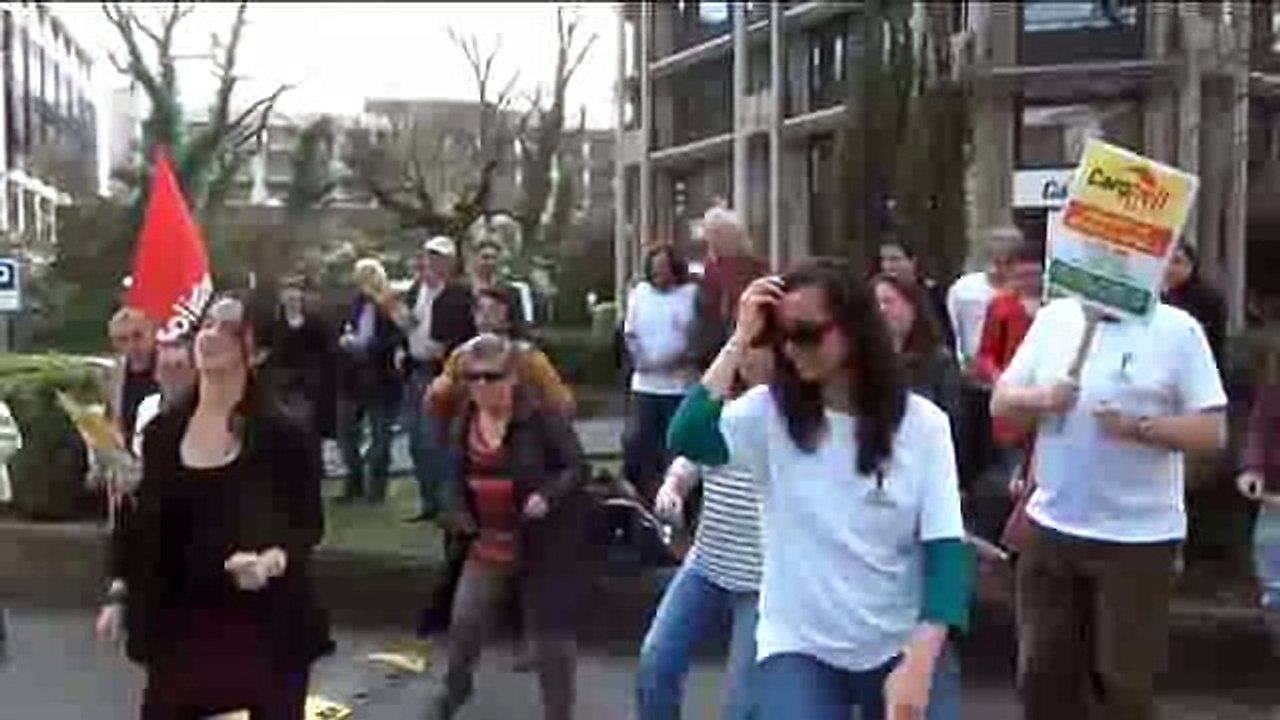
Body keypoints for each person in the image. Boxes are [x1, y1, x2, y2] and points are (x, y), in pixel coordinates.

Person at [667, 258, 972, 720]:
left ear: (854, 331)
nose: (792, 349)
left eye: (807, 334)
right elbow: (687, 436)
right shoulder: (767, 414)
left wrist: (920, 662)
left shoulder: (923, 426)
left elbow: (947, 553)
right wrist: (739, 339)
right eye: (781, 334)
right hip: (799, 642)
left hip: (898, 638)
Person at [991, 295, 1227, 720]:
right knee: (1042, 675)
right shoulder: (1054, 318)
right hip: (1051, 526)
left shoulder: (1179, 329)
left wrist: (1140, 427)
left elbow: (1212, 432)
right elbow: (1001, 400)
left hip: (1139, 538)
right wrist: (1043, 398)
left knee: (1123, 684)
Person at [100, 295, 332, 719]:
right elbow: (142, 522)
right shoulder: (163, 433)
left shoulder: (285, 434)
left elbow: (306, 526)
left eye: (229, 328)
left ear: (256, 349)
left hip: (266, 625)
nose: (212, 335)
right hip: (182, 620)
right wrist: (119, 592)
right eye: (207, 324)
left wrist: (270, 561)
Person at [428, 333, 588, 720]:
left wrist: (547, 496)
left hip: (539, 543)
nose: (482, 385)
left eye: (492, 376)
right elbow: (450, 476)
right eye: (473, 377)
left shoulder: (541, 417)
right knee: (465, 623)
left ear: (513, 377)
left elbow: (577, 467)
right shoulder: (465, 418)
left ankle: (559, 713)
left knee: (551, 640)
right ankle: (454, 691)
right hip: (487, 541)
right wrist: (458, 514)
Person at [636, 344, 773, 720]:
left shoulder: (790, 423)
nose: (748, 357)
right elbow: (686, 457)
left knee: (741, 705)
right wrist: (672, 489)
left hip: (763, 583)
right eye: (742, 349)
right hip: (706, 564)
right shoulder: (722, 413)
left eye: (758, 349)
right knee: (655, 661)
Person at [402, 235, 477, 522]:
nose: (433, 263)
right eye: (430, 256)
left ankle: (448, 504)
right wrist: (400, 348)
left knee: (436, 440)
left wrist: (446, 348)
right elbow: (403, 326)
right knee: (415, 441)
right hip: (414, 371)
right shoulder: (414, 291)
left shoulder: (459, 295)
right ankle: (429, 501)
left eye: (440, 258)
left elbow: (471, 336)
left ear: (450, 263)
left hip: (441, 374)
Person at [947, 226, 1022, 494]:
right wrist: (961, 365)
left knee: (1003, 452)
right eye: (994, 257)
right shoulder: (964, 289)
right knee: (970, 446)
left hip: (1012, 387)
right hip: (971, 384)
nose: (998, 266)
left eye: (1007, 260)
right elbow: (953, 330)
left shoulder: (1023, 296)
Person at [623, 245, 700, 503]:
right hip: (645, 386)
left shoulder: (691, 295)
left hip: (680, 387)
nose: (659, 276)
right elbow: (629, 332)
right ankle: (646, 498)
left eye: (664, 270)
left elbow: (697, 338)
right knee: (637, 444)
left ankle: (677, 504)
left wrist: (674, 360)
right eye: (654, 271)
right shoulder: (639, 293)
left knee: (676, 449)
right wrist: (639, 358)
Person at [427, 287, 573, 420]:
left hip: (519, 433)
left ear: (509, 318)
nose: (485, 315)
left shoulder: (528, 357)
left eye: (494, 310)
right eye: (479, 309)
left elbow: (561, 402)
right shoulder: (461, 356)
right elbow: (435, 401)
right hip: (475, 435)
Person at [336, 258, 406, 504]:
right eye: (361, 277)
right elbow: (343, 329)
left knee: (381, 440)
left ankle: (376, 491)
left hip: (382, 379)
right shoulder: (353, 303)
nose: (365, 282)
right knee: (346, 437)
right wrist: (346, 341)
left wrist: (367, 347)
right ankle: (353, 483)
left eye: (370, 276)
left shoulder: (391, 303)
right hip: (352, 379)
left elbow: (401, 334)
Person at [1237, 338, 1280, 648]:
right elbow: (1259, 430)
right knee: (1275, 592)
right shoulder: (1273, 391)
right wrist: (1253, 469)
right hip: (1275, 503)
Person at [872, 273, 960, 419]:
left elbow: (952, 417)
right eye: (876, 303)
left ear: (912, 306)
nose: (882, 309)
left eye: (888, 301)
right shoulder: (863, 358)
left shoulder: (939, 361)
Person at [692, 206, 769, 369]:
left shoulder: (752, 268)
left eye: (714, 235)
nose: (709, 241)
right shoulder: (710, 268)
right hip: (715, 350)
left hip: (744, 347)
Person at [262, 278, 336, 437]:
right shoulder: (274, 325)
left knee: (308, 420)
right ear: (282, 300)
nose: (293, 302)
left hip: (310, 381)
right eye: (289, 299)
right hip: (283, 380)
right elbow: (266, 349)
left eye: (295, 299)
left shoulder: (315, 323)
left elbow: (327, 349)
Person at [879, 235, 954, 351]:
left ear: (912, 261)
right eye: (884, 260)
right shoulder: (875, 292)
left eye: (895, 259)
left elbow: (946, 335)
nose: (888, 266)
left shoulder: (933, 293)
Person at [106, 307, 160, 449]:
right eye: (123, 340)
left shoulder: (171, 369)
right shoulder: (112, 377)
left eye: (138, 336)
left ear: (153, 333)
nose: (132, 346)